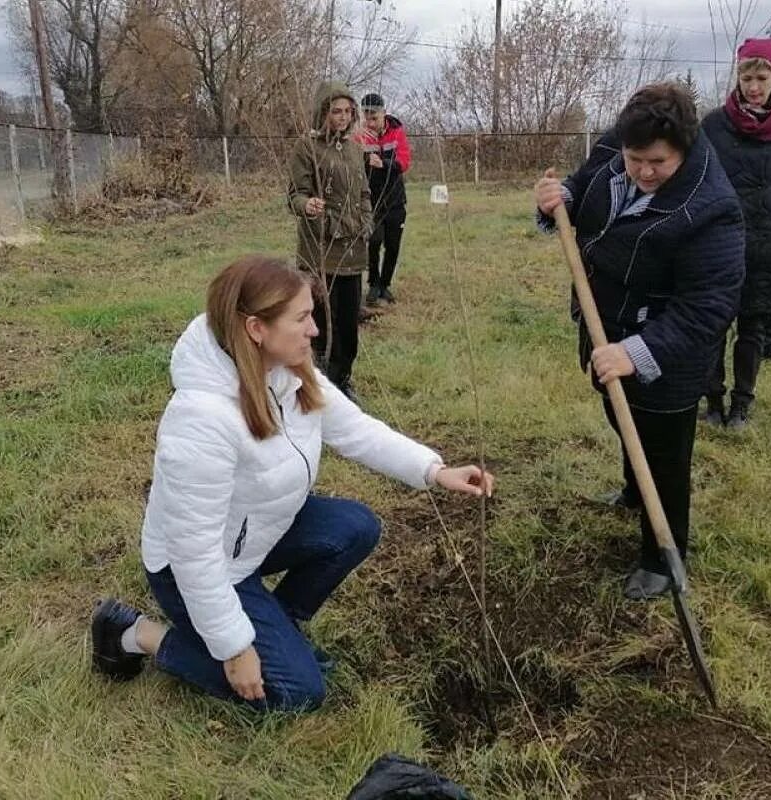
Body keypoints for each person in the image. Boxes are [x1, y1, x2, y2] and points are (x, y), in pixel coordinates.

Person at [91, 256, 494, 712]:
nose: (315, 330)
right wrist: (235, 648)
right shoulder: (200, 421)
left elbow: (356, 430)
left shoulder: (286, 373)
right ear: (256, 329)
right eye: (302, 318)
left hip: (252, 537)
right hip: (197, 570)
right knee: (297, 694)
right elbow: (194, 553)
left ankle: (276, 627)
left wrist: (435, 471)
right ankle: (138, 633)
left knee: (356, 527)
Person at [534, 84, 745, 599]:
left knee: (666, 453)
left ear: (685, 149)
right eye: (635, 160)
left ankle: (662, 558)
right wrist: (556, 201)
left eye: (658, 162)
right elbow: (582, 190)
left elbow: (709, 307)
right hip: (606, 320)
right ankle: (634, 490)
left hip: (668, 345)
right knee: (619, 411)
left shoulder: (712, 208)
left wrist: (634, 352)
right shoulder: (616, 146)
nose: (644, 172)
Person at [700, 38, 771, 429]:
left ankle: (742, 404)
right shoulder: (713, 124)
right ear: (738, 76)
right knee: (713, 325)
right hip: (719, 243)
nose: (754, 86)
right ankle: (712, 400)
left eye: (762, 77)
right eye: (747, 77)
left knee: (753, 329)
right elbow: (698, 176)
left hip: (765, 243)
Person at [288, 80, 372, 401]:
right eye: (336, 111)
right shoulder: (306, 148)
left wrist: (365, 220)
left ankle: (343, 381)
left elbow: (364, 191)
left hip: (353, 248)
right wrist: (309, 207)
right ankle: (318, 385)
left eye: (348, 111)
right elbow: (295, 195)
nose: (343, 117)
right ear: (323, 112)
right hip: (320, 249)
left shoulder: (354, 148)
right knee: (322, 322)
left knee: (349, 323)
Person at [355, 93, 411, 306]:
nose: (370, 122)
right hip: (371, 200)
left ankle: (385, 285)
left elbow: (404, 161)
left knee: (393, 244)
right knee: (374, 240)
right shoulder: (358, 136)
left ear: (383, 114)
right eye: (366, 117)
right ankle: (374, 283)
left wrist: (385, 164)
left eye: (374, 117)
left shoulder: (397, 132)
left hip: (395, 198)